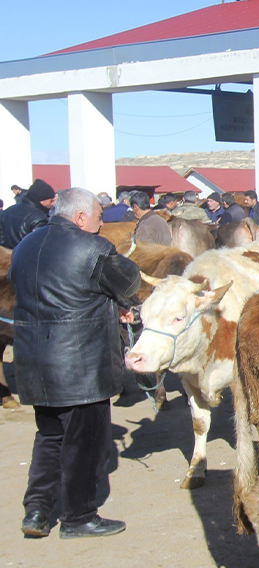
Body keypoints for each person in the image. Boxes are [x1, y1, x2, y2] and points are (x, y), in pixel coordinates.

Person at [12, 187, 140, 539]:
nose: (101, 225)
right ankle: (78, 516)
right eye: (99, 217)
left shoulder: (24, 246)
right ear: (80, 216)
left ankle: (37, 511)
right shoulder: (93, 247)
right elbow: (128, 279)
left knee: (49, 437)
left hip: (35, 361)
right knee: (83, 443)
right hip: (80, 364)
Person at [1, 179, 56, 249]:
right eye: (51, 200)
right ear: (42, 200)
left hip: (5, 258)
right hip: (24, 258)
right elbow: (39, 246)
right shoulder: (39, 218)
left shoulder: (7, 211)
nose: (53, 204)